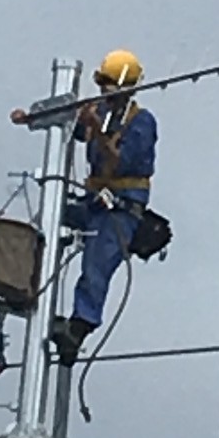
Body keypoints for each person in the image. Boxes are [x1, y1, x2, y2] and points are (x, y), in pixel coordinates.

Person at [11, 48, 158, 364]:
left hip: (120, 209)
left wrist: (97, 127)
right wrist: (32, 118)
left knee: (96, 265)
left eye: (108, 84)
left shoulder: (141, 122)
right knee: (48, 217)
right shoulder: (102, 111)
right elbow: (75, 127)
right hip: (93, 201)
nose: (105, 91)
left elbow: (120, 160)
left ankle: (77, 330)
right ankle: (28, 284)